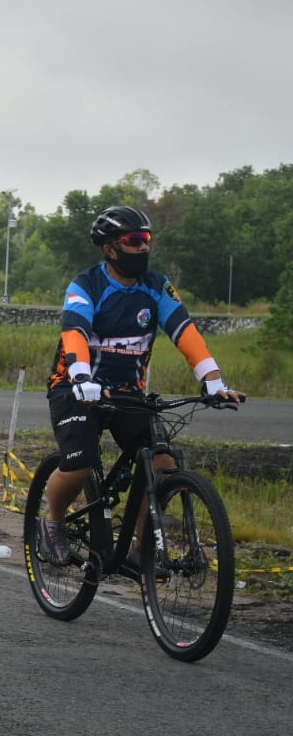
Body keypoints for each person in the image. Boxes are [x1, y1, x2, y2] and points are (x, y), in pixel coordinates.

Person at [39, 206, 246, 562]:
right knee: (79, 465)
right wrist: (81, 377)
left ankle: (140, 548)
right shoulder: (86, 285)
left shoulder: (156, 286)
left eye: (147, 239)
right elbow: (74, 332)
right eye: (133, 240)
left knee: (161, 461)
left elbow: (186, 332)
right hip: (75, 386)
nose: (143, 247)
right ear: (110, 249)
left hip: (126, 392)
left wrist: (213, 381)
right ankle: (53, 523)